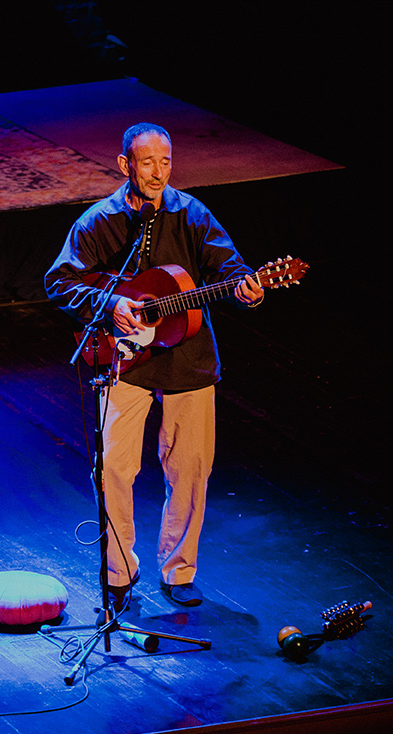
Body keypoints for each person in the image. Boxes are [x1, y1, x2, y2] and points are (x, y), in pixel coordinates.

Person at [45, 123, 264, 609]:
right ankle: (119, 570)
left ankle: (179, 570)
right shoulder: (100, 221)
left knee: (190, 468)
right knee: (114, 469)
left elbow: (229, 267)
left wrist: (246, 286)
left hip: (187, 358)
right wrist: (109, 306)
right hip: (126, 358)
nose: (158, 172)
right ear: (126, 165)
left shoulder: (192, 214)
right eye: (147, 163)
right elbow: (59, 282)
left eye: (165, 162)